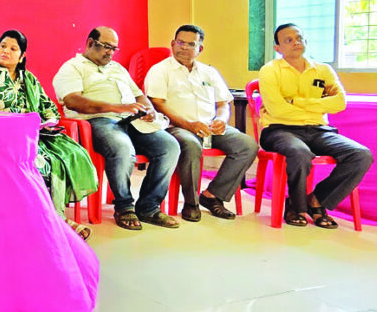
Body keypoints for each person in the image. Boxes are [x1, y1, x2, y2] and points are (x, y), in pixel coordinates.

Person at [0, 30, 98, 240]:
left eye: (13, 49)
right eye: (3, 46)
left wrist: (46, 122)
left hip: (31, 137)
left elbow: (49, 109)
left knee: (62, 158)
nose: (6, 51)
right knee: (39, 164)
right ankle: (55, 222)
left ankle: (48, 220)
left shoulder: (29, 79)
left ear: (21, 56)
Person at [52, 26, 181, 231]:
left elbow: (139, 95)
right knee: (122, 148)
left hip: (131, 120)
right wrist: (115, 107)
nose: (110, 52)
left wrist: (149, 110)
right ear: (90, 43)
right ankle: (124, 206)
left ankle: (149, 207)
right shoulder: (72, 67)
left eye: (114, 48)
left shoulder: (118, 68)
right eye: (106, 47)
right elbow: (73, 101)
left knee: (170, 147)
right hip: (97, 121)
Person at [258, 23, 373, 229]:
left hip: (319, 130)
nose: (296, 42)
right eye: (289, 40)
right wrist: (318, 107)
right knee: (299, 152)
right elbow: (277, 109)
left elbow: (340, 103)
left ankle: (317, 200)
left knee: (361, 155)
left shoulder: (323, 70)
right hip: (280, 129)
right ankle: (296, 206)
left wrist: (297, 102)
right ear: (278, 48)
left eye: (299, 38)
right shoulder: (270, 70)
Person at [144, 25, 257, 222]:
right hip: (176, 127)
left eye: (191, 44)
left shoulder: (209, 72)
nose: (184, 47)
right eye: (180, 42)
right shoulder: (160, 70)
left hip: (208, 127)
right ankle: (191, 202)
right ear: (173, 44)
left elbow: (223, 103)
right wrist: (189, 124)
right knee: (191, 145)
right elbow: (157, 103)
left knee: (247, 145)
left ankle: (213, 195)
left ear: (200, 49)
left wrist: (221, 119)